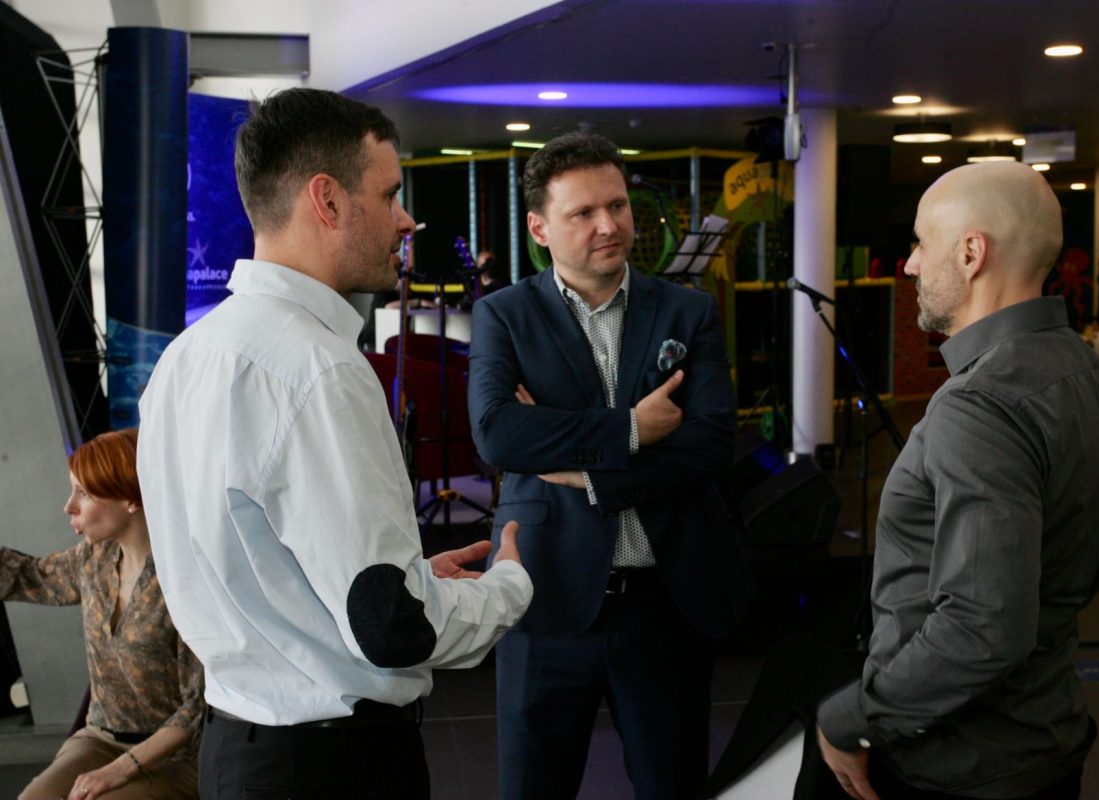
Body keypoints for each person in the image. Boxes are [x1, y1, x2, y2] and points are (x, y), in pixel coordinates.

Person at [136, 88, 533, 799]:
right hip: (332, 766)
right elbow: (393, 629)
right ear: (326, 200)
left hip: (233, 753)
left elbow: (268, 571)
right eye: (389, 195)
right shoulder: (319, 369)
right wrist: (508, 588)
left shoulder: (183, 358)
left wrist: (410, 580)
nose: (406, 220)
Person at [816, 162, 1099, 800]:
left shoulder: (979, 405)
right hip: (1049, 739)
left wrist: (853, 717)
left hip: (959, 763)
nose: (910, 264)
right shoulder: (1097, 378)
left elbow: (983, 624)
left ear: (970, 254)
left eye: (920, 243)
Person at [468, 131, 753, 799]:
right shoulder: (503, 315)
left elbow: (711, 443)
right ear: (539, 228)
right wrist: (632, 430)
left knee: (672, 785)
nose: (609, 225)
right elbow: (499, 434)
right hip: (544, 596)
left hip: (665, 601)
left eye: (617, 206)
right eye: (584, 213)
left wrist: (589, 473)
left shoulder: (687, 310)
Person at [2, 428, 202, 800]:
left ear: (130, 499)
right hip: (100, 739)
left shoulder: (187, 579)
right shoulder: (94, 558)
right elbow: (28, 577)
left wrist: (121, 769)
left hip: (176, 756)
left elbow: (198, 708)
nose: (69, 506)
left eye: (85, 493)